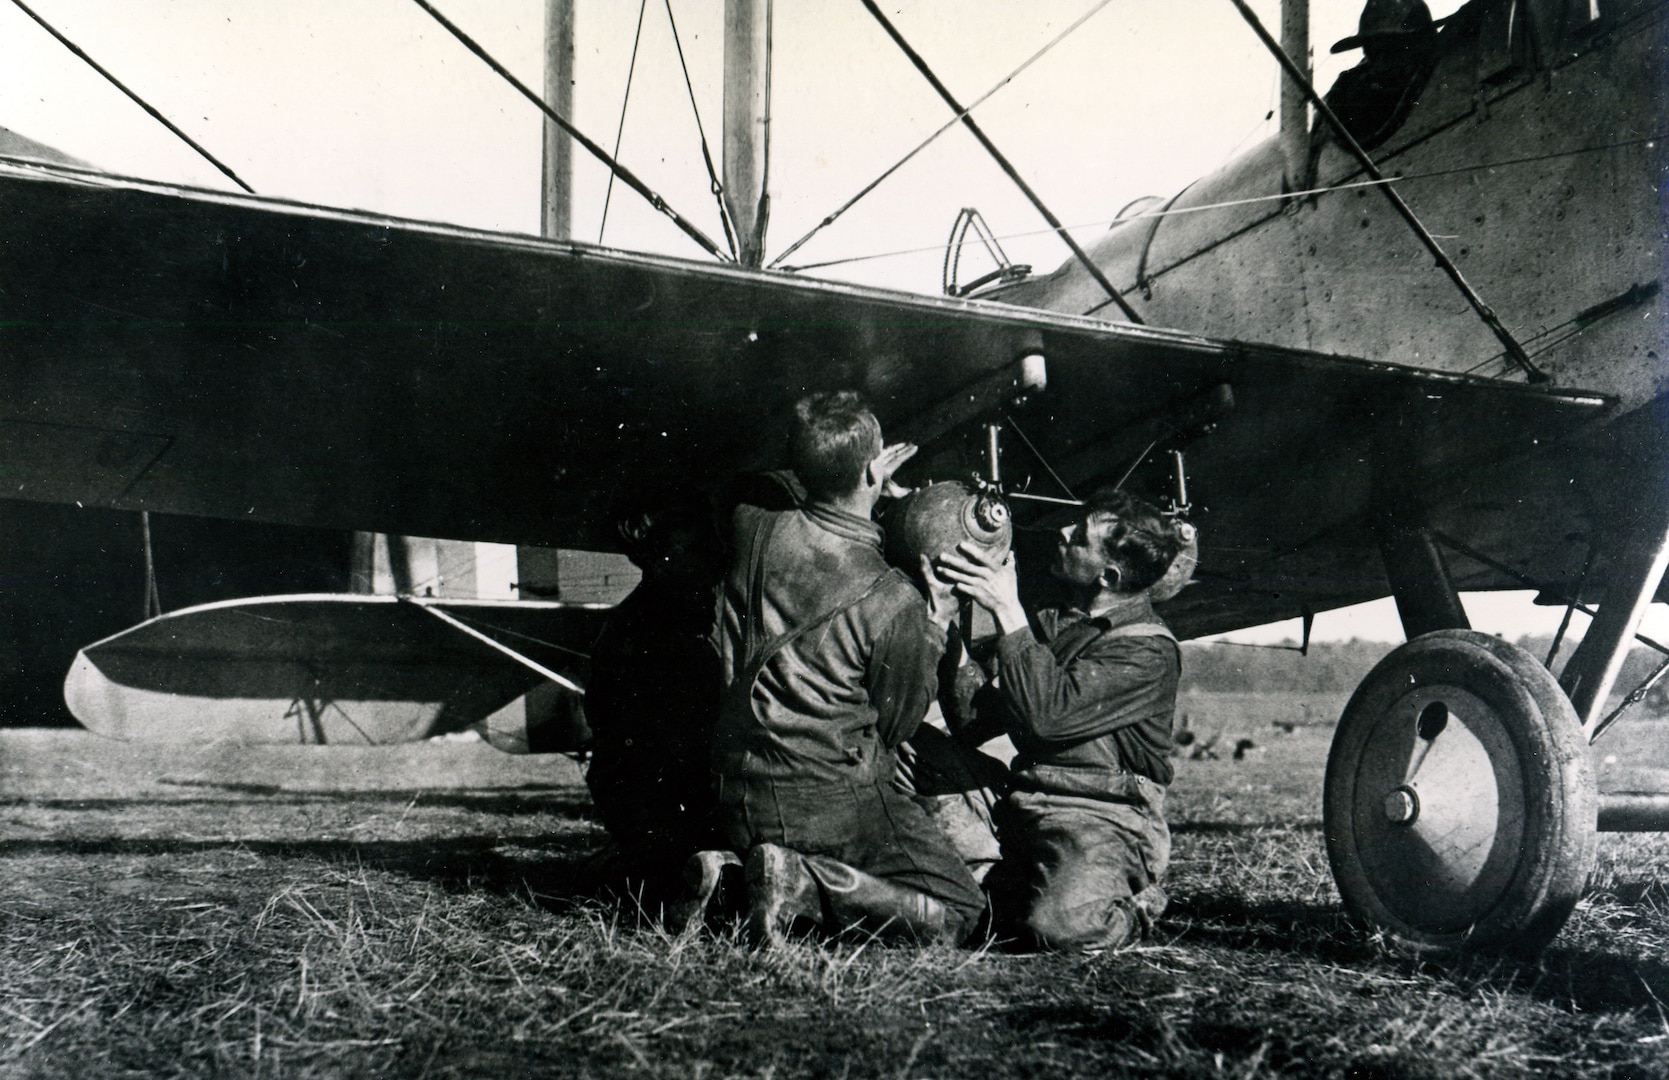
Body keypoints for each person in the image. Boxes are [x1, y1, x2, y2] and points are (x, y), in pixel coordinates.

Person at [710, 391, 985, 947]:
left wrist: (852, 479)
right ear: (871, 467)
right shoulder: (893, 596)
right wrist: (936, 623)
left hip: (738, 795)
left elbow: (766, 488)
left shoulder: (752, 529)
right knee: (964, 911)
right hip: (830, 806)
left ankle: (730, 878)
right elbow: (897, 725)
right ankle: (802, 880)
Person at [936, 489, 1185, 952]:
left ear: (1107, 576)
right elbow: (973, 721)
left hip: (1100, 816)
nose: (1063, 533)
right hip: (1025, 799)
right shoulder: (1057, 624)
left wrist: (1007, 611)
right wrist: (949, 628)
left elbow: (1045, 718)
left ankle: (1134, 908)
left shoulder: (1148, 652)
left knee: (1059, 925)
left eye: (1080, 537)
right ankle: (1003, 888)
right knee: (915, 749)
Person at [583, 495, 732, 921]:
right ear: (664, 562)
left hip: (644, 807)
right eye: (696, 560)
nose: (708, 574)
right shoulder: (663, 634)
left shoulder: (630, 623)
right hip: (661, 808)